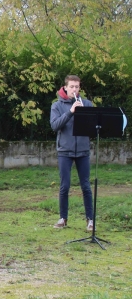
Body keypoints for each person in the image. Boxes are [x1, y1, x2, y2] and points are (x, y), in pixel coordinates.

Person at [50, 75, 94, 231]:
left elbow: (93, 127)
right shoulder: (57, 105)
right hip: (65, 151)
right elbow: (55, 126)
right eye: (72, 86)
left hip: (82, 151)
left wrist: (83, 113)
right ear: (66, 87)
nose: (75, 89)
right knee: (65, 186)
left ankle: (90, 220)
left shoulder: (87, 104)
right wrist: (70, 111)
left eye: (77, 86)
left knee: (86, 186)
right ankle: (63, 218)